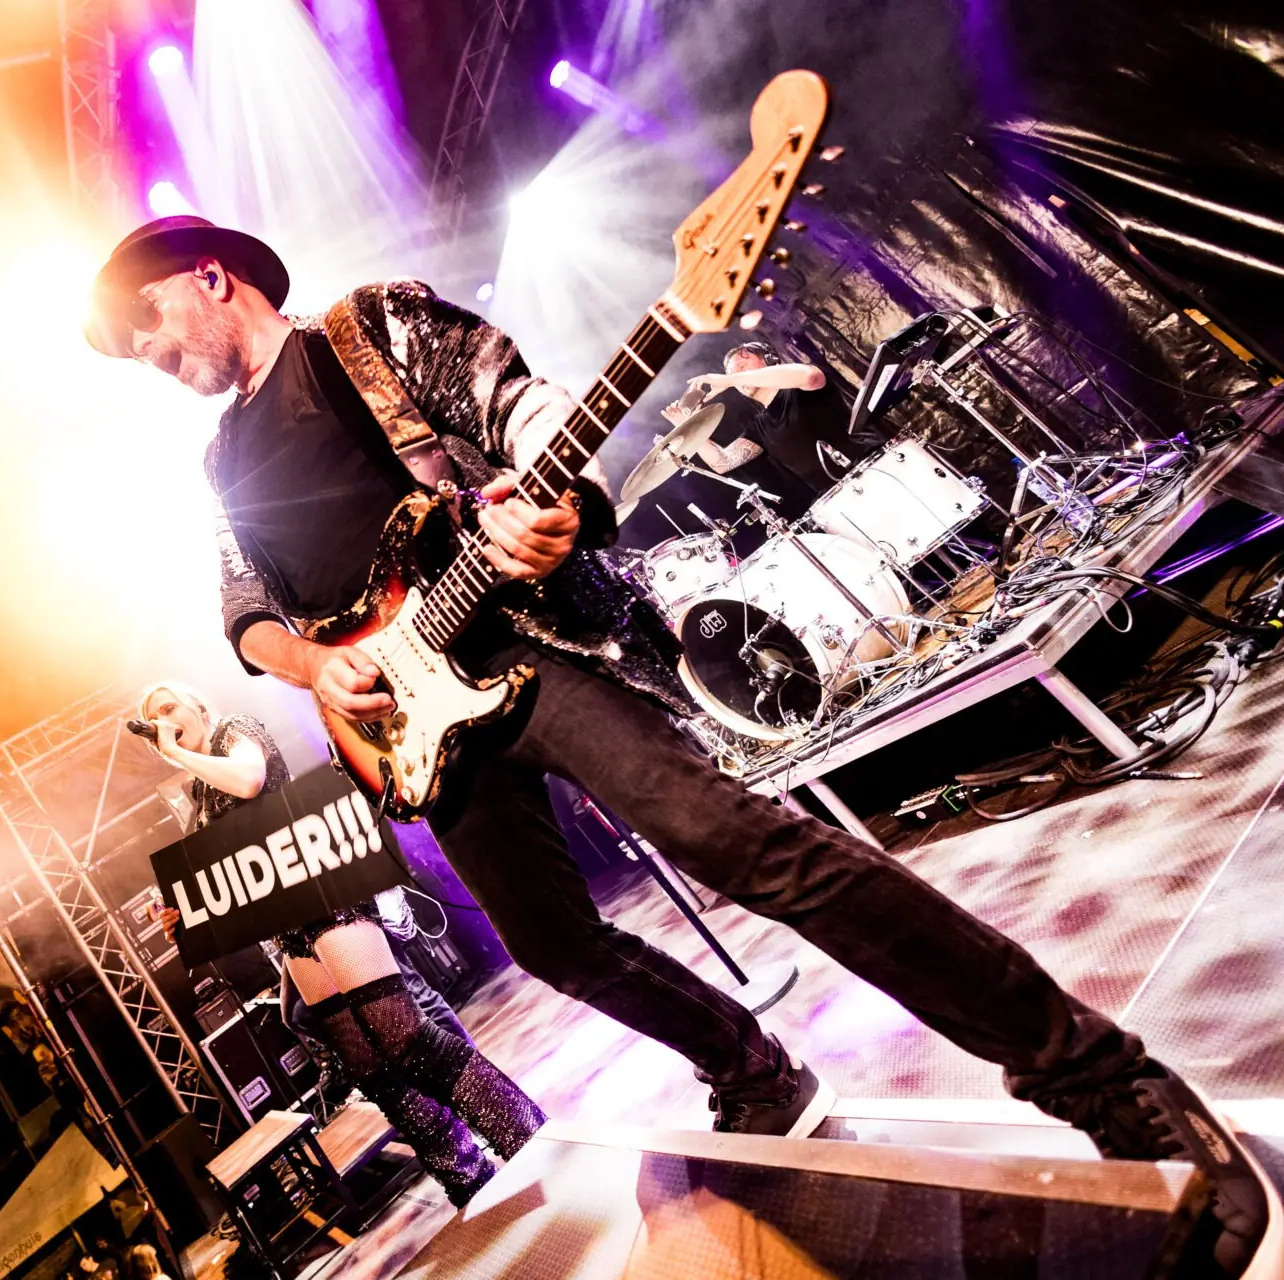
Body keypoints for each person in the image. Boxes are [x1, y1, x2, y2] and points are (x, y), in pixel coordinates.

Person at [85, 215, 1274, 1275]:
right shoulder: (219, 462)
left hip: (531, 648)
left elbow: (524, 407)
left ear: (210, 274)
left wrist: (558, 504)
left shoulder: (364, 331)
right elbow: (246, 612)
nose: (147, 354)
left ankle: (1103, 1075)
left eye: (144, 322)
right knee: (553, 943)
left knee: (744, 843)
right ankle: (753, 1069)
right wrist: (316, 666)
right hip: (411, 730)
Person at [139, 680, 542, 1206]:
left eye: (169, 707)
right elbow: (219, 883)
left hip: (327, 899)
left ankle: (523, 1132)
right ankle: (463, 1170)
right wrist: (182, 914)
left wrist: (174, 752)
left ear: (198, 705)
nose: (163, 721)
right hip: (291, 930)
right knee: (370, 1066)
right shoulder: (198, 795)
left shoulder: (234, 732)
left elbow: (251, 779)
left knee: (404, 1035)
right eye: (154, 718)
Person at [663, 339, 866, 506]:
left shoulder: (800, 386)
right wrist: (689, 427)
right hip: (835, 503)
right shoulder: (759, 427)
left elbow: (810, 377)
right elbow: (722, 462)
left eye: (742, 367)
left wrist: (730, 379)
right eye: (732, 374)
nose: (737, 377)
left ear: (770, 361)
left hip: (871, 468)